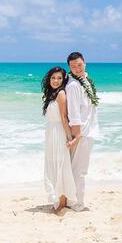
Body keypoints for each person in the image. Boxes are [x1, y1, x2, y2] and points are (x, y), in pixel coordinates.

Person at [65, 51, 99, 212]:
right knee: (79, 170)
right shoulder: (73, 86)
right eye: (73, 66)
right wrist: (77, 135)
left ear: (84, 62)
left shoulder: (86, 81)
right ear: (69, 68)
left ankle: (75, 200)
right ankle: (77, 203)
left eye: (79, 64)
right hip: (82, 133)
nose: (77, 68)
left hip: (89, 131)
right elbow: (74, 113)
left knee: (80, 169)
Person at [41, 66, 77, 213]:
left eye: (59, 78)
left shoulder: (61, 94)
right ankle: (58, 199)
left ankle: (62, 202)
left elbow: (64, 118)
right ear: (49, 79)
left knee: (60, 166)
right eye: (53, 78)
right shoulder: (51, 94)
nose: (56, 81)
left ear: (63, 80)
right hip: (51, 133)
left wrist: (70, 139)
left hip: (59, 133)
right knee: (53, 164)